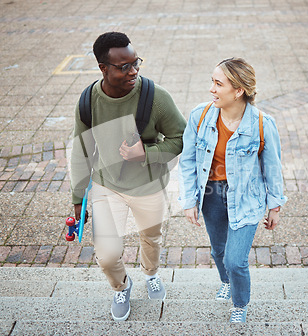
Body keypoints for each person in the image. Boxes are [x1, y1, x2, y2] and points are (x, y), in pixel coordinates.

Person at [69, 32, 187, 322]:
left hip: (149, 187)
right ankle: (122, 286)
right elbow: (81, 151)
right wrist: (77, 199)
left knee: (151, 238)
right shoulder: (87, 102)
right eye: (124, 66)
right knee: (107, 255)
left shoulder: (156, 97)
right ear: (103, 69)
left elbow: (181, 138)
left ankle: (150, 273)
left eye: (136, 63)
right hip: (106, 186)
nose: (133, 71)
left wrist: (145, 154)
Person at [178, 57, 287, 323]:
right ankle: (226, 281)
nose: (212, 89)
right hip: (211, 196)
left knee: (235, 260)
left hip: (246, 198)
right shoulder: (200, 116)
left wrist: (275, 205)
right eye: (212, 82)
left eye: (218, 84)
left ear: (238, 90)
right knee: (219, 252)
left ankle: (240, 302)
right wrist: (189, 200)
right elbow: (188, 160)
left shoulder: (262, 124)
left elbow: (272, 167)